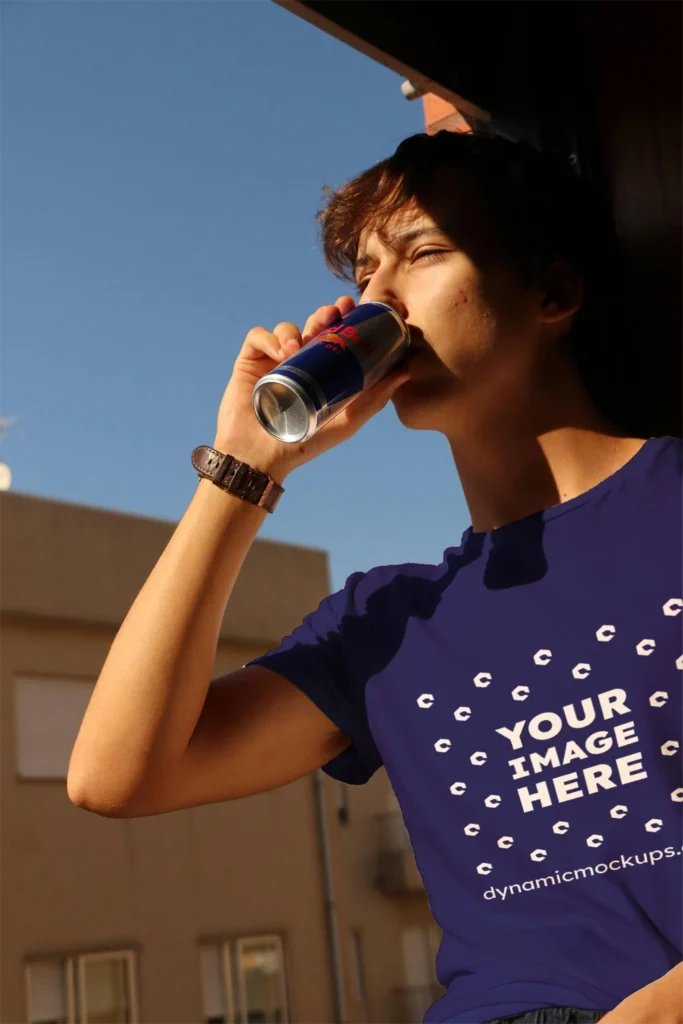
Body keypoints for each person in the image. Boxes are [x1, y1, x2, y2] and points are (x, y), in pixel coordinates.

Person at [67, 131, 683, 1024]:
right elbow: (115, 777)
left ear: (551, 292)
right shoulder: (388, 620)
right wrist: (248, 467)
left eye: (422, 254)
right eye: (362, 273)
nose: (375, 300)